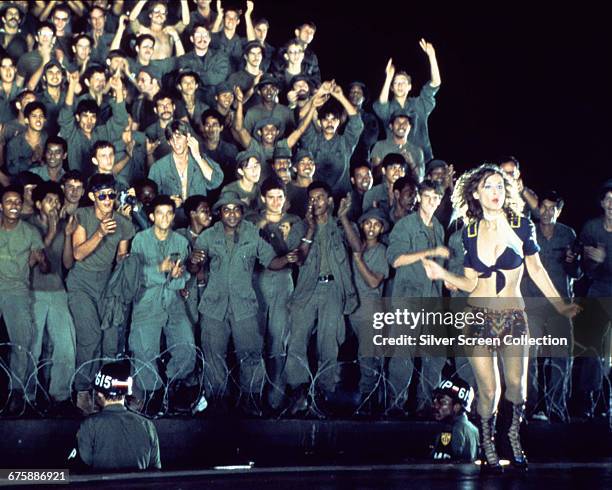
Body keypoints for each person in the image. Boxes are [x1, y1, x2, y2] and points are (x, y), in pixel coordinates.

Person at [421, 164, 580, 473]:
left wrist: (560, 306)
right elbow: (470, 282)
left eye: (499, 186)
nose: (495, 192)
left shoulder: (521, 225)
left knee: (518, 387)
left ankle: (512, 433)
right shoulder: (468, 231)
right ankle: (488, 443)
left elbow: (535, 269)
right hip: (478, 317)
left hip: (513, 316)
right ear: (476, 193)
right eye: (489, 187)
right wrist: (443, 274)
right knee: (488, 391)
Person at [192, 190, 297, 415]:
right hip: (214, 304)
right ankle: (218, 399)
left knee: (250, 353)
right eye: (226, 210)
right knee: (213, 353)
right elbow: (195, 268)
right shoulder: (208, 236)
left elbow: (270, 262)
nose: (231, 214)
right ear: (219, 213)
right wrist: (194, 262)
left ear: (241, 212)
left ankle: (250, 398)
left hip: (244, 304)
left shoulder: (252, 235)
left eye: (236, 209)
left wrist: (286, 259)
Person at [284, 182, 360, 415]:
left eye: (320, 198)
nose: (316, 202)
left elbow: (357, 247)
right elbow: (298, 259)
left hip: (333, 289)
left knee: (328, 343)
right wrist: (309, 229)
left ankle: (324, 392)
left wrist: (344, 218)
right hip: (307, 289)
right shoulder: (300, 226)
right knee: (297, 338)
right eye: (312, 198)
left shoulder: (341, 225)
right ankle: (298, 391)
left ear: (329, 200)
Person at [67, 174, 135, 415]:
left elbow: (121, 257)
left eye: (111, 195)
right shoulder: (83, 216)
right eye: (102, 195)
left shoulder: (124, 224)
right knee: (90, 336)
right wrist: (100, 233)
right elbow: (77, 254)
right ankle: (83, 390)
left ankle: (104, 394)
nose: (108, 200)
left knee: (109, 340)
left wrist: (128, 264)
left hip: (106, 286)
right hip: (82, 284)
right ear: (92, 197)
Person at [129, 195, 197, 413]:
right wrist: (161, 269)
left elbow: (183, 278)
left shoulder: (181, 242)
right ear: (152, 216)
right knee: (144, 349)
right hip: (147, 302)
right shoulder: (140, 240)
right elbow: (135, 275)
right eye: (160, 213)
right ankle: (153, 394)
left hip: (173, 301)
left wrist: (178, 275)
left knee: (187, 347)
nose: (165, 217)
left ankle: (169, 381)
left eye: (169, 213)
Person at [386, 179, 447, 417]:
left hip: (432, 299)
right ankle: (395, 405)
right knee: (403, 355)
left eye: (437, 198)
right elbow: (396, 259)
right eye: (428, 197)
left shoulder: (438, 228)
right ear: (420, 197)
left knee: (435, 355)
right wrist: (430, 252)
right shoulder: (405, 226)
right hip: (408, 297)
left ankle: (427, 406)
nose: (432, 202)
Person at [247, 177, 305, 410]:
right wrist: (262, 229)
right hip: (257, 281)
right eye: (270, 197)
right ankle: (253, 392)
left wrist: (284, 236)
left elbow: (298, 256)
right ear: (263, 198)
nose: (275, 202)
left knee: (279, 339)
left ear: (286, 199)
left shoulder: (294, 221)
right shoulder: (252, 221)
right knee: (256, 336)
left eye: (279, 197)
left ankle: (276, 393)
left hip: (283, 282)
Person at [28, 181, 78, 416]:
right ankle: (26, 396)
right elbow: (34, 258)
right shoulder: (28, 225)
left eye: (57, 201)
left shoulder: (63, 225)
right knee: (32, 347)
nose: (55, 205)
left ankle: (61, 395)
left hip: (58, 292)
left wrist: (66, 235)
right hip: (33, 292)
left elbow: (67, 263)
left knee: (66, 346)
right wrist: (50, 229)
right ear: (38, 204)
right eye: (50, 201)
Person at [0, 183, 48, 415]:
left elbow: (46, 266)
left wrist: (40, 259)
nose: (14, 206)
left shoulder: (30, 232)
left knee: (22, 341)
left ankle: (17, 393)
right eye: (9, 202)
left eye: (17, 202)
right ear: (1, 205)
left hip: (16, 291)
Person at [73, 360, 161, 471]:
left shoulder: (90, 425)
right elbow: (156, 470)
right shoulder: (148, 426)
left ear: (99, 393)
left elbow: (80, 466)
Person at [373, 39, 441, 162]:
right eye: (396, 83)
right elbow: (381, 104)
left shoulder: (418, 104)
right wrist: (388, 78)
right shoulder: (388, 108)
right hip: (395, 161)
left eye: (403, 82)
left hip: (422, 159)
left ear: (409, 87)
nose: (400, 86)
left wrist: (432, 56)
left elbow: (435, 83)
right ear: (392, 88)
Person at [430, 378, 479, 462]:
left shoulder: (450, 429)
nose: (436, 406)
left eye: (442, 402)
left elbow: (441, 465)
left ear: (457, 407)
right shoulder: (474, 429)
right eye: (435, 401)